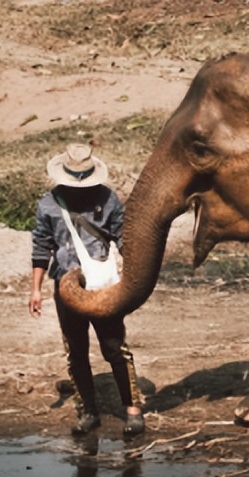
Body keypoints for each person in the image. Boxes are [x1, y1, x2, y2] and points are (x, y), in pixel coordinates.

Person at [29, 143, 145, 437]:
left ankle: (132, 410)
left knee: (114, 347)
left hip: (101, 288)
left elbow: (123, 239)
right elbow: (41, 248)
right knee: (76, 351)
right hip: (66, 287)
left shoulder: (107, 200)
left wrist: (130, 282)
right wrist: (36, 290)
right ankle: (89, 411)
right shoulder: (48, 205)